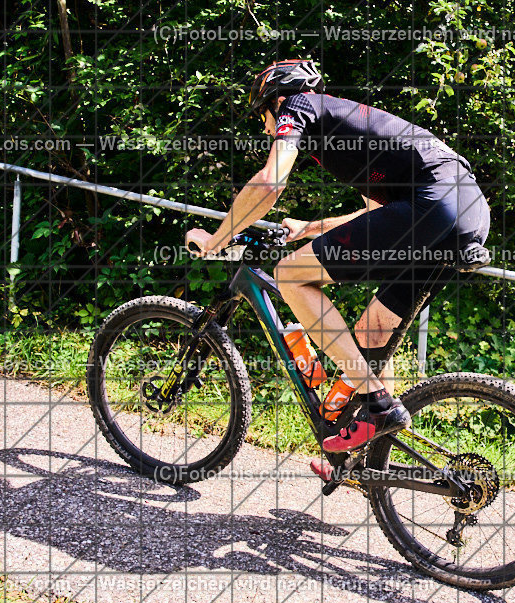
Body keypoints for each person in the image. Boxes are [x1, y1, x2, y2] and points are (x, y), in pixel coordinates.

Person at [184, 59, 491, 469]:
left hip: (433, 205)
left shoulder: (299, 106)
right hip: (467, 212)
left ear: (277, 100)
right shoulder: (350, 126)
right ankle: (366, 458)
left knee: (291, 275)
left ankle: (378, 404)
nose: (264, 128)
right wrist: (311, 226)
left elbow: (270, 183)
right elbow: (375, 214)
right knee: (373, 331)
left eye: (262, 116)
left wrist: (215, 239)